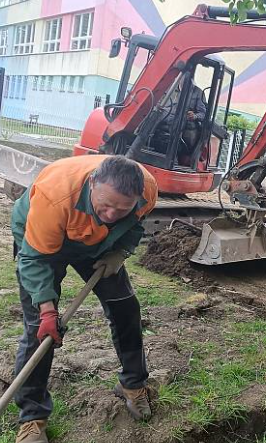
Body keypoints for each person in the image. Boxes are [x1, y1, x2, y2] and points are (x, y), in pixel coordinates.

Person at [11, 155, 158, 443]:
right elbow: (34, 259)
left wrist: (121, 252)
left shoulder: (148, 190)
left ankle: (133, 385)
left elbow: (135, 225)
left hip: (101, 243)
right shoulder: (55, 196)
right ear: (92, 183)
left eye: (121, 209)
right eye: (105, 205)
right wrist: (47, 310)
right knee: (40, 331)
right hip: (41, 245)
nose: (112, 215)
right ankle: (32, 418)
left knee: (126, 308)